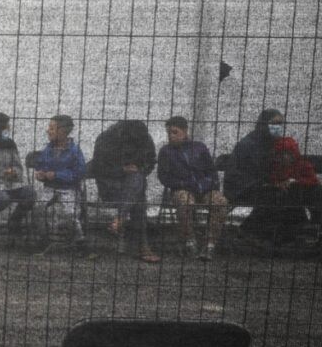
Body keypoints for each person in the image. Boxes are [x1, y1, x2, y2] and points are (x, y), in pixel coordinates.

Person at [225, 109, 320, 246]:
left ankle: (309, 231)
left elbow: (286, 166)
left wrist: (285, 180)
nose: (278, 127)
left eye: (281, 124)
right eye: (274, 123)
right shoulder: (249, 144)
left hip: (269, 185)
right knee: (280, 195)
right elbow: (249, 173)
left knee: (311, 192)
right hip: (245, 188)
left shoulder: (275, 143)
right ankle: (252, 232)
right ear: (263, 124)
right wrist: (272, 183)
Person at [89, 120, 161, 263]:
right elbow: (97, 168)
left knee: (137, 180)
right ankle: (143, 247)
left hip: (134, 188)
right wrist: (122, 170)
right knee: (138, 193)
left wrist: (140, 170)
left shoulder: (144, 138)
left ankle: (120, 218)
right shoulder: (106, 139)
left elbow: (151, 162)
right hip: (110, 188)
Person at [156, 116, 227, 260]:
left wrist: (203, 185)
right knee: (185, 202)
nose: (171, 136)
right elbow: (164, 177)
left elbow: (212, 172)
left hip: (204, 189)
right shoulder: (166, 151)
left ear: (185, 131)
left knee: (220, 202)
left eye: (175, 132)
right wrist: (183, 184)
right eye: (168, 133)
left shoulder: (200, 147)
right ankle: (189, 241)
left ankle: (210, 244)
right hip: (182, 189)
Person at [33, 114, 86, 253]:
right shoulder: (48, 149)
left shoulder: (74, 151)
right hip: (49, 187)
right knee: (39, 207)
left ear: (62, 131)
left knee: (69, 212)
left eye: (52, 128)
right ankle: (43, 240)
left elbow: (79, 173)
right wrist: (40, 173)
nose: (48, 131)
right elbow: (40, 164)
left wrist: (57, 175)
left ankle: (79, 241)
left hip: (69, 189)